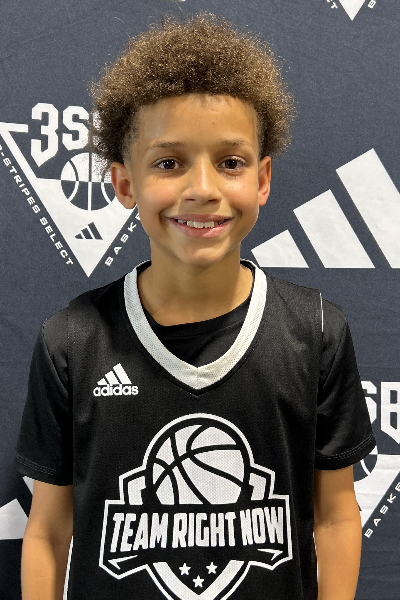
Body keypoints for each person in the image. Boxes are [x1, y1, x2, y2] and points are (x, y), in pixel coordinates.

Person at [14, 13, 376, 600]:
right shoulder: (73, 340)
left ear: (262, 180)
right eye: (169, 162)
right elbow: (49, 533)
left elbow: (335, 517)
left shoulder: (316, 331)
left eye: (230, 163)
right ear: (125, 184)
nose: (203, 189)